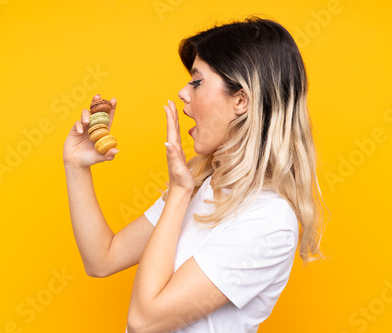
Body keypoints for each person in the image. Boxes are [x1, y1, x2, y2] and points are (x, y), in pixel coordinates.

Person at [63, 16, 327, 333]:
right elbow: (102, 259)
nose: (183, 92)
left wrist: (177, 193)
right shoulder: (203, 185)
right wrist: (76, 165)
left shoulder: (269, 221)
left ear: (241, 100)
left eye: (197, 82)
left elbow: (144, 321)